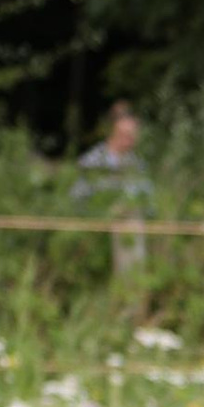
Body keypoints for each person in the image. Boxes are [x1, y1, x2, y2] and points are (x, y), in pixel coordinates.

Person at [74, 97, 152, 276]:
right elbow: (77, 199)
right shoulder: (93, 161)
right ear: (113, 131)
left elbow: (149, 202)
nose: (130, 140)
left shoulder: (138, 165)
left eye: (133, 135)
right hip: (96, 241)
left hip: (130, 240)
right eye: (126, 135)